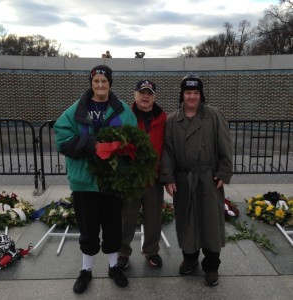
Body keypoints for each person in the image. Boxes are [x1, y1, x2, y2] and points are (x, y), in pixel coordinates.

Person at [54, 65, 137, 294]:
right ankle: (86, 271)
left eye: (104, 81)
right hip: (84, 182)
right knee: (88, 230)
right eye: (96, 81)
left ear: (110, 83)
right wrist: (92, 144)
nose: (100, 85)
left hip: (112, 182)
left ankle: (113, 267)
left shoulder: (122, 112)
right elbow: (62, 139)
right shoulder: (76, 110)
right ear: (91, 84)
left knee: (112, 228)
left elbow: (134, 140)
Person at [160, 76, 233, 287]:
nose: (192, 97)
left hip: (209, 179)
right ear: (182, 95)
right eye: (188, 93)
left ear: (201, 95)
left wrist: (224, 172)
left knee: (210, 222)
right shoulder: (172, 120)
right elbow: (168, 151)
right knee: (186, 221)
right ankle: (190, 259)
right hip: (183, 180)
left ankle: (211, 266)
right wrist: (168, 178)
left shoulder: (214, 116)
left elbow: (225, 146)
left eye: (196, 93)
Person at [118, 80, 167, 269]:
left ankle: (151, 250)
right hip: (131, 177)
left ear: (154, 96)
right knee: (126, 217)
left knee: (153, 218)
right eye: (142, 92)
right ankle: (123, 252)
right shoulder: (124, 116)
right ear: (134, 94)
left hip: (153, 178)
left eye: (149, 93)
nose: (145, 96)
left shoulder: (164, 118)